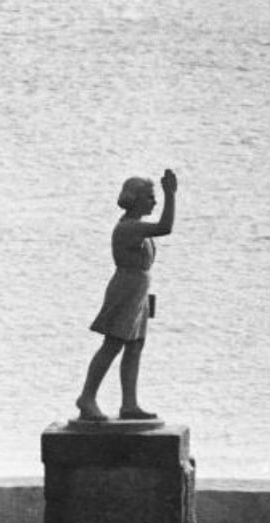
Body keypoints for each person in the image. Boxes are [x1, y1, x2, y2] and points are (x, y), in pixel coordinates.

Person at [76, 169, 178, 422]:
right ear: (135, 199)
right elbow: (165, 227)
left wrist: (147, 299)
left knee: (135, 346)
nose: (154, 202)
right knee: (113, 343)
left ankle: (129, 404)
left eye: (155, 197)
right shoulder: (129, 228)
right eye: (150, 197)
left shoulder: (138, 227)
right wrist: (170, 195)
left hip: (139, 290)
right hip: (126, 288)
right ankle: (87, 397)